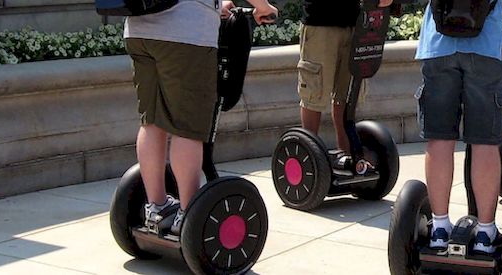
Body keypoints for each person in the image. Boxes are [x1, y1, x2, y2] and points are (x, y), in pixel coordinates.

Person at [125, 0, 277, 235]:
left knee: (152, 122)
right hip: (186, 34)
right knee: (187, 128)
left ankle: (156, 208)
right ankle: (187, 216)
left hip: (139, 31)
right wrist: (264, 6)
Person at [416, 0, 502, 254]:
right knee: (485, 142)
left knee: (439, 139)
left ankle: (440, 229)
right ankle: (485, 234)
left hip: (438, 46)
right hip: (485, 48)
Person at [296, 0, 392, 164]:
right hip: (320, 23)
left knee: (347, 94)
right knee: (314, 93)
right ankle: (308, 159)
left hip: (355, 22)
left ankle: (348, 156)